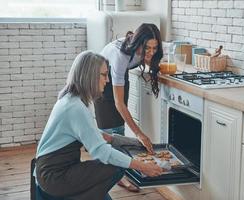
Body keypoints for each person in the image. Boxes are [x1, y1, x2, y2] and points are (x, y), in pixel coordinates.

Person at [34, 51, 163, 200]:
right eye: (104, 75)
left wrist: (136, 143)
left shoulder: (71, 99)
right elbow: (102, 152)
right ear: (89, 76)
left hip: (48, 171)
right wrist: (143, 167)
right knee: (117, 165)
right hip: (54, 177)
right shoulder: (76, 108)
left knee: (116, 160)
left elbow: (100, 136)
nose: (107, 80)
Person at [94, 23, 163, 192]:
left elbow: (153, 56)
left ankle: (119, 173)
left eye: (155, 48)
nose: (151, 52)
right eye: (147, 48)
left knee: (119, 131)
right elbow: (119, 103)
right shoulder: (120, 56)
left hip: (120, 76)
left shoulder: (147, 49)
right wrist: (139, 133)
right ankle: (104, 179)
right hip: (102, 79)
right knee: (110, 132)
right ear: (138, 43)